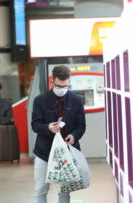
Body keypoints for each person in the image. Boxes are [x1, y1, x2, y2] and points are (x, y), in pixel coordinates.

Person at [31, 65, 86, 203]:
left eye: (65, 86)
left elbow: (81, 126)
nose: (62, 89)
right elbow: (35, 125)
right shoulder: (40, 100)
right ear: (52, 82)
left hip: (67, 153)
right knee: (40, 191)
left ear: (69, 82)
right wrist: (47, 127)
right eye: (59, 86)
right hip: (44, 152)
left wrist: (74, 136)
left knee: (65, 192)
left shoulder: (77, 100)